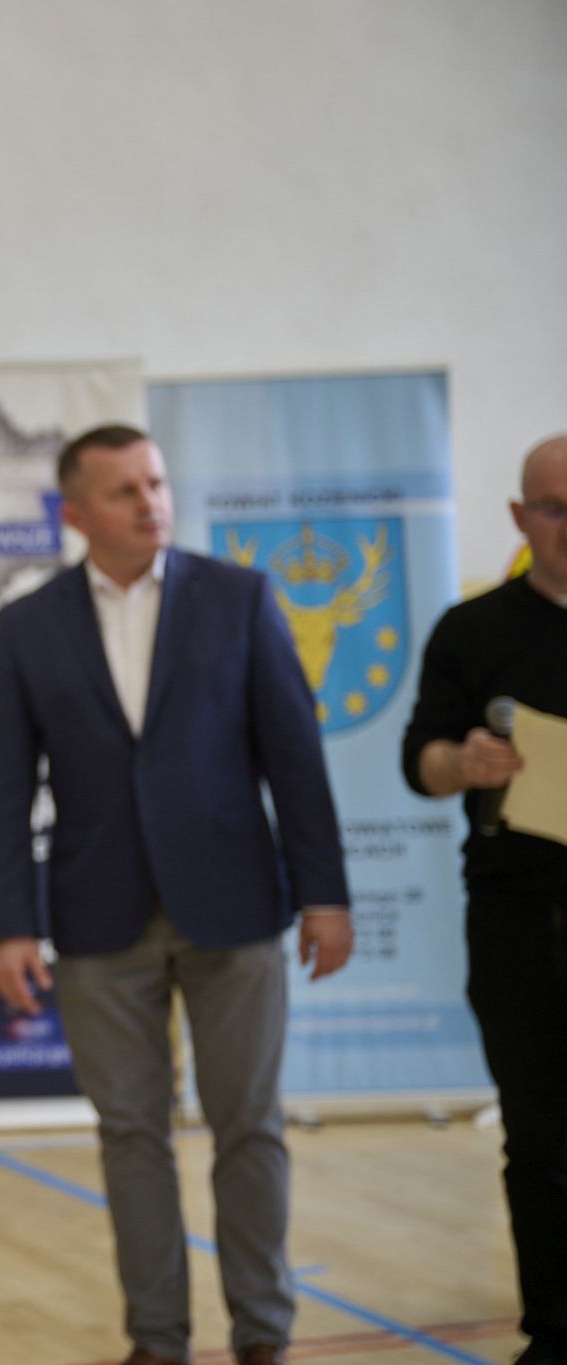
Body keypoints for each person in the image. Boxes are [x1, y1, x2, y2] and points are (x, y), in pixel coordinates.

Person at [0, 424, 353, 1365]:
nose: (151, 502)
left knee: (249, 1126)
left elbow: (295, 758)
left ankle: (264, 1331)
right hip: (97, 914)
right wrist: (9, 924)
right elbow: (3, 787)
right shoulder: (28, 624)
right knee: (131, 1134)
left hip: (237, 906)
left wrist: (326, 894)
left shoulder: (241, 597)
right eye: (125, 491)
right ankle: (157, 1338)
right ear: (75, 514)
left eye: (156, 482)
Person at [401, 435, 567, 1365]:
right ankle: (553, 1328)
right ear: (519, 517)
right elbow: (419, 761)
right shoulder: (473, 630)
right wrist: (460, 761)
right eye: (553, 507)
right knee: (539, 1133)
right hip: (518, 917)